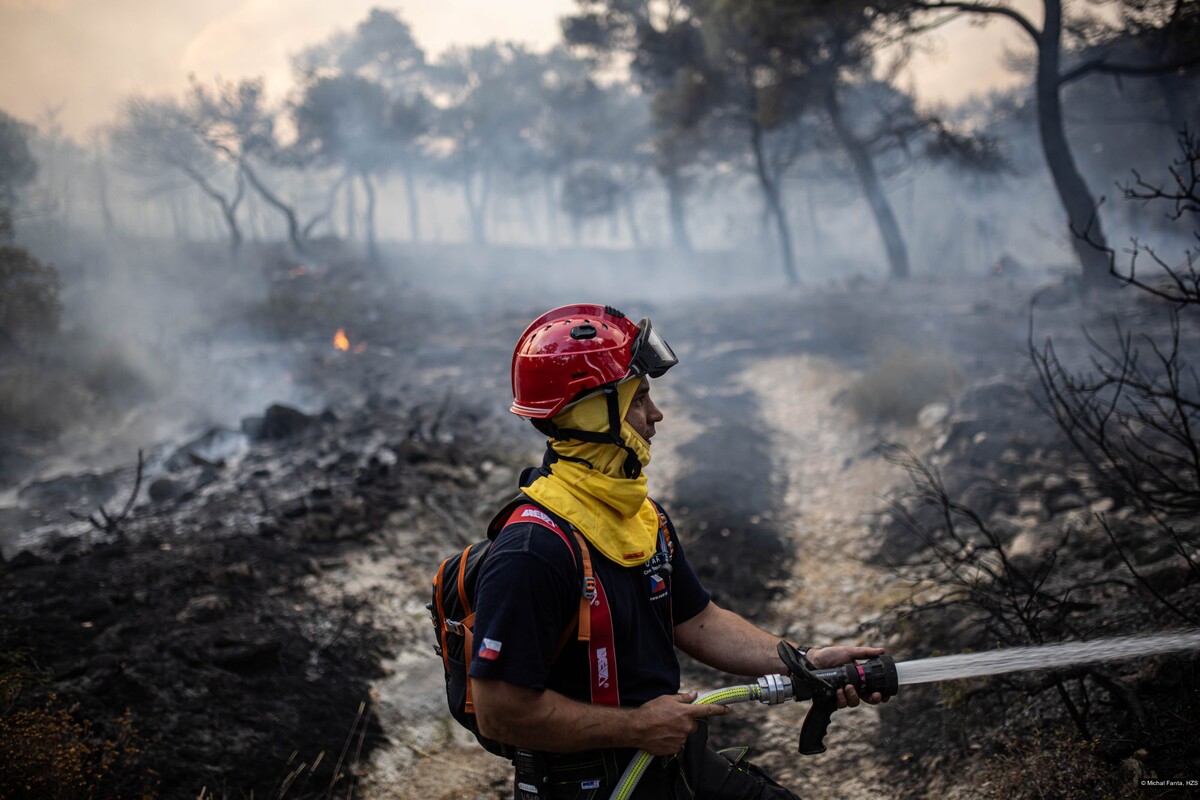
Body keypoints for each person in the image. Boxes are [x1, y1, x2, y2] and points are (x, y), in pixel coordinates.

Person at [469, 304, 887, 799]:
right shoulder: (533, 550)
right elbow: (500, 712)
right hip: (595, 786)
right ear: (590, 411)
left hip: (665, 761)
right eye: (638, 399)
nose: (655, 415)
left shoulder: (641, 516)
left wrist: (803, 661)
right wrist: (635, 728)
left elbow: (697, 620)